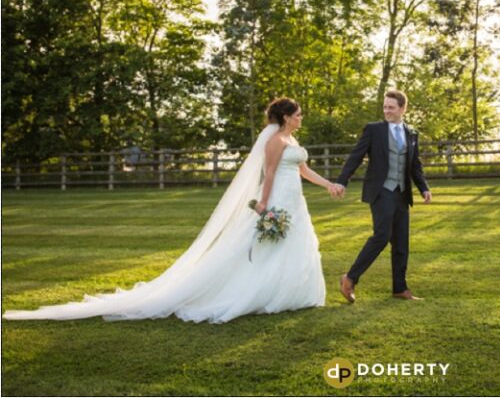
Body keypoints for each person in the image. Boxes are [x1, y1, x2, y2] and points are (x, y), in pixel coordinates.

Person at [3, 98, 336, 323]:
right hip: (278, 197)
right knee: (267, 246)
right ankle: (258, 293)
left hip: (297, 199)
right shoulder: (275, 141)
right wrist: (264, 203)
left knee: (295, 244)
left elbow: (303, 171)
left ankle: (292, 293)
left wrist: (328, 185)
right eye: (297, 114)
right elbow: (272, 173)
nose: (300, 118)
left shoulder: (293, 142)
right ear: (285, 117)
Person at [332, 90, 432, 303]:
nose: (386, 111)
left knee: (401, 243)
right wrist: (342, 180)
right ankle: (349, 278)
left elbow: (415, 164)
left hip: (402, 193)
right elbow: (356, 156)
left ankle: (399, 288)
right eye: (385, 107)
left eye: (391, 107)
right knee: (381, 236)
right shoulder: (374, 130)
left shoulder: (411, 133)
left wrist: (423, 187)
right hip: (381, 191)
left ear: (403, 109)